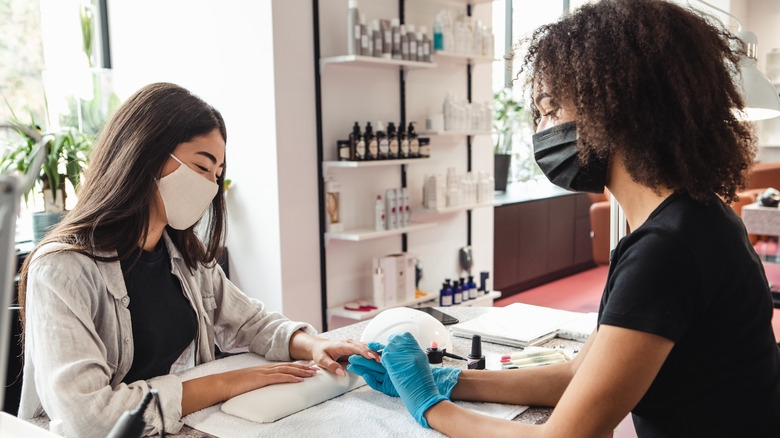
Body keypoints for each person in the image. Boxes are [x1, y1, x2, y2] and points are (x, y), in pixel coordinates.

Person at [348, 0, 780, 436]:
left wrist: (429, 404)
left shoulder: (667, 251)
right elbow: (575, 377)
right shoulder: (696, 216)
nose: (544, 129)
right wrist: (452, 381)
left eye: (552, 109)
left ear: (615, 107)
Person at [17, 82, 379, 438]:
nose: (210, 185)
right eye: (202, 168)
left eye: (217, 174)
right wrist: (225, 382)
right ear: (144, 153)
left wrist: (313, 346)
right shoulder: (61, 270)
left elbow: (249, 322)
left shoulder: (184, 257)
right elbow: (89, 419)